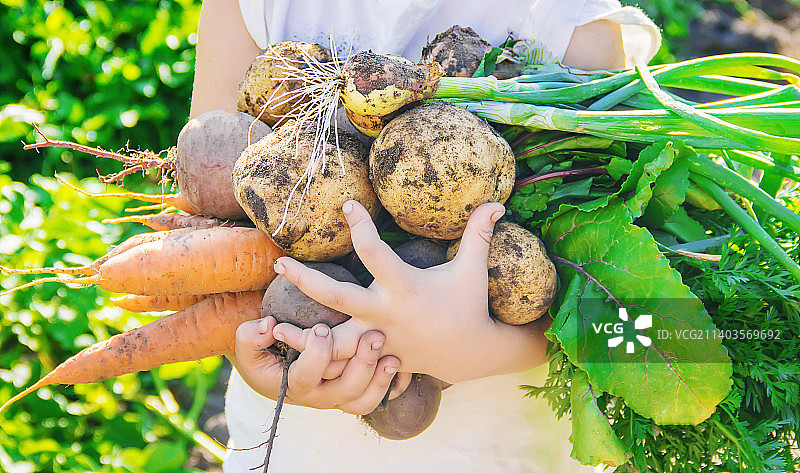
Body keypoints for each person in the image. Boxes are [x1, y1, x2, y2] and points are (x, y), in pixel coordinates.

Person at [188, 1, 661, 472]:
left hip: (498, 445)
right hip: (298, 443)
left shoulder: (569, 18)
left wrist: (479, 347)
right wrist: (263, 362)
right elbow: (211, 210)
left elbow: (615, 307)